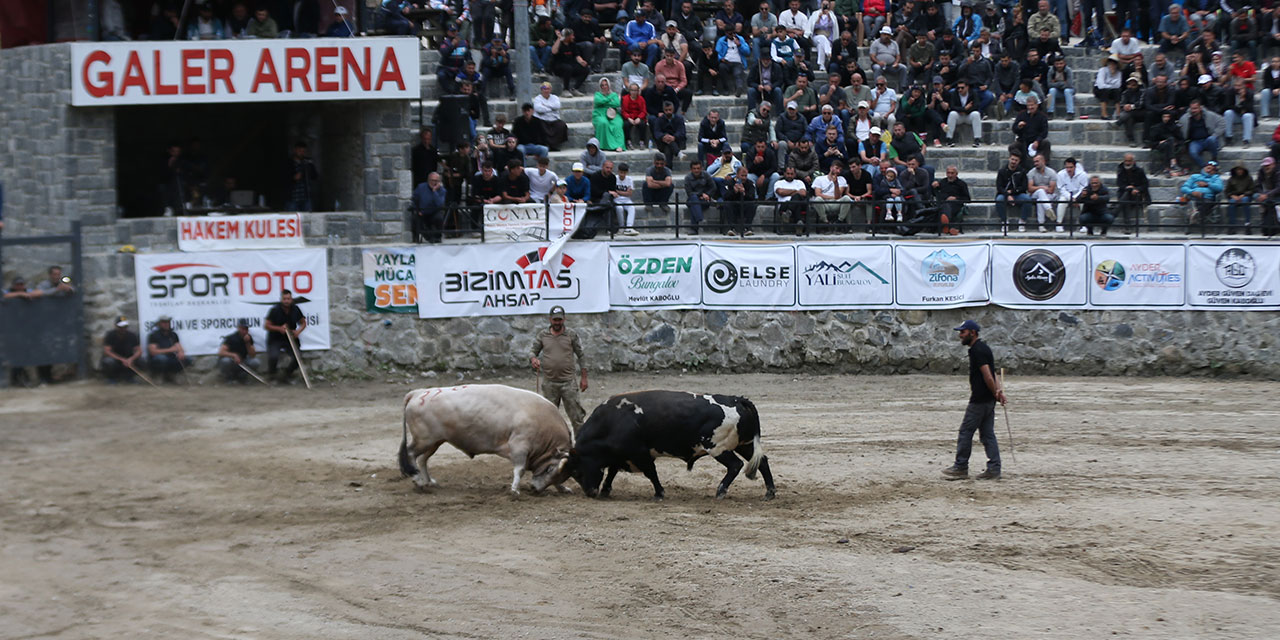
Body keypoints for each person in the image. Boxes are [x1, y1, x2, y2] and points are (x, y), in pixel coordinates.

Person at [942, 320, 1006, 481]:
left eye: (962, 332)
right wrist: (998, 392)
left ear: (972, 332)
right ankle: (994, 469)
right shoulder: (984, 348)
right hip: (988, 400)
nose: (960, 335)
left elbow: (988, 376)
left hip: (979, 400)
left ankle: (961, 467)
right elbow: (994, 373)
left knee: (966, 432)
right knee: (988, 435)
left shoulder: (977, 350)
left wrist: (996, 392)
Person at [530, 306, 587, 432]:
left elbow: (581, 355)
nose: (557, 322)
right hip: (549, 383)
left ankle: (581, 442)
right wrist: (533, 359)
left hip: (568, 383)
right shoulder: (543, 335)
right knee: (548, 417)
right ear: (550, 319)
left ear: (564, 319)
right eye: (555, 320)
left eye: (559, 320)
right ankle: (551, 442)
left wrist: (584, 378)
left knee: (576, 417)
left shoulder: (571, 335)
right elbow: (533, 351)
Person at [264, 289, 307, 383]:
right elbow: (266, 326)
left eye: (288, 299)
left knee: (297, 357)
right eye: (284, 299)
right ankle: (272, 376)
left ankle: (286, 375)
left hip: (290, 337)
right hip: (275, 338)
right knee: (273, 356)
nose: (286, 301)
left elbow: (303, 323)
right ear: (281, 299)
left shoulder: (296, 309)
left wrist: (298, 332)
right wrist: (279, 328)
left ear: (291, 299)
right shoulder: (275, 310)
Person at [1179, 100, 1225, 171]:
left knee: (1212, 139)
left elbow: (1222, 122)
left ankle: (1214, 159)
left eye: (1195, 108)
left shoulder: (1210, 115)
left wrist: (1215, 134)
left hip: (1208, 139)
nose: (1193, 110)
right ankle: (1205, 167)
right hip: (1195, 142)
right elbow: (1180, 128)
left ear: (1200, 108)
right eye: (1192, 108)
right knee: (1193, 152)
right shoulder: (1184, 118)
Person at [1181, 160, 1224, 232]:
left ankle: (1195, 214)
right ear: (1204, 168)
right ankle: (1195, 213)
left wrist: (1208, 184)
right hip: (1193, 196)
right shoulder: (1194, 176)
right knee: (1187, 200)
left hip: (1207, 198)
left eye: (1212, 169)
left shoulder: (1215, 178)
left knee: (1206, 203)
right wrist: (1192, 192)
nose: (1209, 171)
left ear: (1214, 171)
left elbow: (1219, 188)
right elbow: (1184, 188)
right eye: (1208, 168)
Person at [810, 161, 854, 232]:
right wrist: (831, 197)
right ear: (831, 168)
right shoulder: (819, 179)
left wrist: (836, 183)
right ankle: (825, 222)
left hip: (836, 203)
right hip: (824, 203)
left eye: (840, 170)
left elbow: (838, 196)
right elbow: (818, 194)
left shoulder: (842, 179)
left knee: (847, 198)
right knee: (817, 199)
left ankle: (839, 222)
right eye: (837, 168)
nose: (838, 171)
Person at [146, 315, 191, 384]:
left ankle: (172, 375)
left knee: (187, 359)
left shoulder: (173, 334)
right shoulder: (154, 335)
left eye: (168, 322)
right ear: (159, 324)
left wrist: (181, 352)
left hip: (171, 357)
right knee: (161, 359)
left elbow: (178, 347)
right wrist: (170, 350)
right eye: (164, 322)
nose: (166, 324)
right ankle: (158, 376)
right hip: (159, 358)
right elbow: (153, 352)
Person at [995, 154, 1031, 232]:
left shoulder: (1022, 172)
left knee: (1027, 199)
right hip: (1004, 194)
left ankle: (1022, 221)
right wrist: (1007, 195)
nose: (1013, 162)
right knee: (999, 200)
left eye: (1016, 160)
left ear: (1019, 161)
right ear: (1009, 159)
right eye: (1012, 159)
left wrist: (1012, 192)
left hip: (1018, 194)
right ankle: (1004, 221)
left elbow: (1024, 187)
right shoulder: (1002, 171)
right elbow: (999, 187)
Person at [1009, 95, 1050, 165]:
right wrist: (1019, 127)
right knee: (1013, 146)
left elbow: (1044, 132)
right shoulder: (1021, 114)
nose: (1030, 107)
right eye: (1028, 105)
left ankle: (1044, 164)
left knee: (1046, 143)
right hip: (1023, 140)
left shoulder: (1042, 116)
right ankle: (1017, 165)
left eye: (1032, 105)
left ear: (1036, 105)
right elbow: (1014, 129)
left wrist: (1037, 141)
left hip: (1036, 140)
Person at [216, 320, 260, 384]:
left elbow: (252, 355)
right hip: (232, 362)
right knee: (225, 361)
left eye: (246, 329)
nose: (245, 331)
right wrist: (234, 355)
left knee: (255, 362)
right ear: (239, 328)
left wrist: (248, 343)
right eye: (243, 329)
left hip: (243, 361)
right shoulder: (231, 338)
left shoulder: (249, 338)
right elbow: (221, 352)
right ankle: (229, 378)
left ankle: (243, 377)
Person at [101, 316, 142, 384]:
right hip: (116, 359)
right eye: (121, 327)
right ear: (116, 326)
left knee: (141, 361)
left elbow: (139, 350)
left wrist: (131, 359)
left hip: (128, 359)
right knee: (108, 361)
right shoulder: (110, 335)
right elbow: (107, 351)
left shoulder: (132, 335)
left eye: (125, 326)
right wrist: (121, 359)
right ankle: (112, 378)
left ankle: (130, 377)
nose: (123, 328)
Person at [1116, 153, 1150, 232]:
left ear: (1133, 161)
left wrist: (1136, 189)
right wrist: (1127, 187)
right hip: (1125, 194)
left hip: (1137, 195)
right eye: (1126, 161)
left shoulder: (1139, 171)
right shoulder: (1120, 170)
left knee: (1125, 199)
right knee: (1126, 197)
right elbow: (1119, 183)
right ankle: (1127, 226)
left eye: (1129, 161)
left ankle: (1116, 212)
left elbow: (1145, 184)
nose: (1127, 163)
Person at [410, 172, 448, 244]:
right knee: (415, 218)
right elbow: (414, 199)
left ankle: (437, 237)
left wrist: (434, 191)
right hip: (422, 212)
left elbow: (439, 204)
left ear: (439, 182)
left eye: (436, 181)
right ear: (428, 180)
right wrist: (418, 210)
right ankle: (429, 238)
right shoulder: (421, 187)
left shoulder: (442, 190)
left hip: (434, 212)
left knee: (439, 218)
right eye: (432, 180)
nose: (433, 182)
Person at [1055, 157, 1088, 233]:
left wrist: (1076, 198)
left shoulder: (1082, 174)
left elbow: (1083, 188)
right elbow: (1061, 189)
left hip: (1079, 195)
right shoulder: (1060, 174)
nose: (1069, 169)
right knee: (1061, 202)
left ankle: (1084, 225)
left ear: (1075, 167)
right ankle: (1059, 224)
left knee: (1084, 203)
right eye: (1067, 167)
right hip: (1066, 195)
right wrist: (1071, 198)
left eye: (1071, 167)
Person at [591, 78, 625, 153]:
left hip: (613, 114)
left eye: (606, 85)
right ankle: (604, 145)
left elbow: (617, 103)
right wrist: (609, 98)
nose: (604, 87)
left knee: (617, 123)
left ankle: (619, 145)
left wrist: (604, 101)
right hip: (599, 114)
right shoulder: (598, 94)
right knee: (603, 123)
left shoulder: (614, 94)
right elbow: (598, 101)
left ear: (609, 85)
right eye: (602, 85)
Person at [933, 165, 971, 234]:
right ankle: (951, 227)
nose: (950, 175)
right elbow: (935, 193)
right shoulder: (942, 182)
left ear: (956, 174)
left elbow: (967, 199)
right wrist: (934, 186)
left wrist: (956, 198)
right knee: (944, 206)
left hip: (956, 205)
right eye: (948, 173)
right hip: (943, 203)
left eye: (952, 173)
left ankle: (947, 225)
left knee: (947, 207)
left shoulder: (961, 184)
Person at [533, 83, 570, 151]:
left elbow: (557, 106)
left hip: (554, 119)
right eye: (544, 89)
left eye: (548, 89)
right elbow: (539, 109)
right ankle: (545, 144)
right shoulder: (537, 99)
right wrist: (551, 108)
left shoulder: (555, 97)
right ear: (541, 90)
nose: (546, 91)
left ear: (550, 90)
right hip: (542, 119)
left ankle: (554, 145)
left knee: (561, 125)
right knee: (538, 125)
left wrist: (545, 105)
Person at [773, 165, 809, 234]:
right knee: (797, 200)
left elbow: (803, 193)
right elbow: (781, 192)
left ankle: (788, 213)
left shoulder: (799, 182)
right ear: (784, 174)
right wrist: (795, 191)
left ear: (795, 174)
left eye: (792, 174)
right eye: (788, 174)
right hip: (784, 204)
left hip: (796, 205)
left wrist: (788, 192)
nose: (789, 176)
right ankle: (798, 224)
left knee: (797, 200)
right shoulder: (779, 183)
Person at [1224, 165, 1257, 234]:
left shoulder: (1248, 178)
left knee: (1245, 201)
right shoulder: (1231, 179)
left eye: (1241, 169)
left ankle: (1247, 224)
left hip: (1246, 196)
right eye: (1238, 169)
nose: (1239, 171)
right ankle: (1232, 226)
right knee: (1231, 203)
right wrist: (1232, 195)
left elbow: (1252, 190)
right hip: (1234, 196)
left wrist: (1244, 195)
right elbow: (1227, 191)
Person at [285, 141, 317, 212]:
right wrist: (293, 178)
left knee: (307, 216)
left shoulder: (307, 162)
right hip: (292, 198)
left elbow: (314, 176)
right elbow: (283, 178)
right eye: (300, 151)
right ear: (295, 150)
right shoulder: (288, 162)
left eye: (303, 151)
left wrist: (310, 166)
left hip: (306, 197)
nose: (301, 153)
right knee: (292, 216)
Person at [622, 83, 649, 151]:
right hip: (629, 117)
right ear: (629, 91)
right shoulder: (625, 99)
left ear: (638, 91)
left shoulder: (641, 99)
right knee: (626, 124)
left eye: (635, 90)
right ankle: (628, 142)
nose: (634, 92)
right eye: (632, 90)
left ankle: (642, 141)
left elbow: (644, 111)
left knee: (643, 124)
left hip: (638, 117)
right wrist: (629, 118)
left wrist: (639, 118)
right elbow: (624, 111)